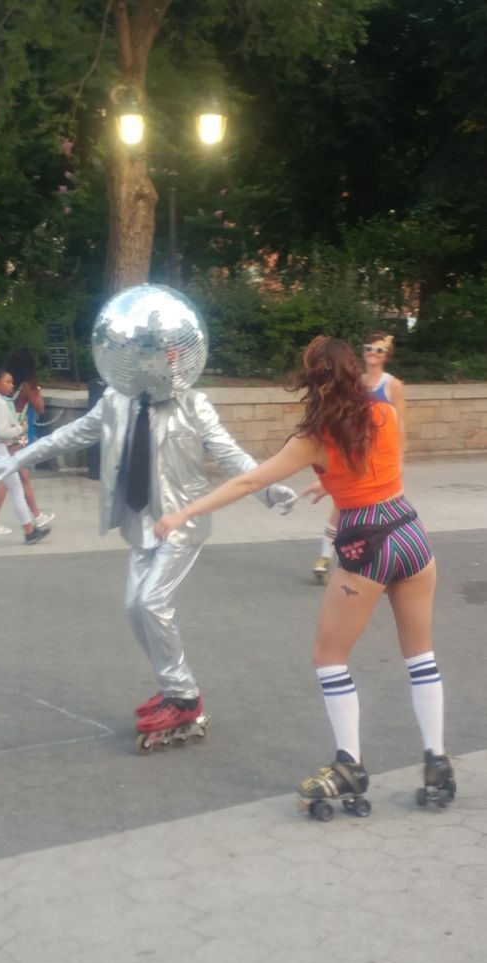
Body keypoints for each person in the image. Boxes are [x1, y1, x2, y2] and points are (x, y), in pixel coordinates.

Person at [0, 285, 297, 751]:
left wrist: (271, 488)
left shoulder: (195, 405)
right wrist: (20, 457)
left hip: (182, 522)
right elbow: (70, 434)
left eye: (162, 353)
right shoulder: (116, 400)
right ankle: (175, 689)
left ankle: (185, 694)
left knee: (152, 603)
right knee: (134, 608)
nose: (153, 362)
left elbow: (231, 456)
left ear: (175, 357)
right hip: (140, 521)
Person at [154, 335, 454, 809]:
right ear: (355, 370)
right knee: (420, 656)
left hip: (368, 544)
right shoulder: (385, 414)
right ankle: (437, 763)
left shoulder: (313, 440)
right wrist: (335, 487)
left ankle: (349, 765)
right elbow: (373, 469)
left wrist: (184, 513)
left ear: (311, 379)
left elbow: (249, 480)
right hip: (411, 533)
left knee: (329, 656)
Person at [311, 331, 405, 584]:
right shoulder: (357, 382)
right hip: (353, 454)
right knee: (342, 506)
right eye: (368, 348)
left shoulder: (392, 385)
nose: (372, 353)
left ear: (387, 356)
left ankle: (372, 559)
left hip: (379, 460)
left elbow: (399, 427)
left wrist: (398, 462)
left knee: (363, 509)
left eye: (379, 350)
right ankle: (325, 557)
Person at [0, 368, 51, 549]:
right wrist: (20, 429)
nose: (12, 385)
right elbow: (1, 432)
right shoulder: (0, 403)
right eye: (7, 381)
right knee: (16, 489)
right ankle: (29, 531)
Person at [0, 348, 55, 535]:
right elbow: (40, 408)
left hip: (4, 431)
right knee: (12, 476)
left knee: (20, 476)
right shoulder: (28, 385)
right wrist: (38, 390)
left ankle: (37, 517)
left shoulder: (6, 381)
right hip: (17, 433)